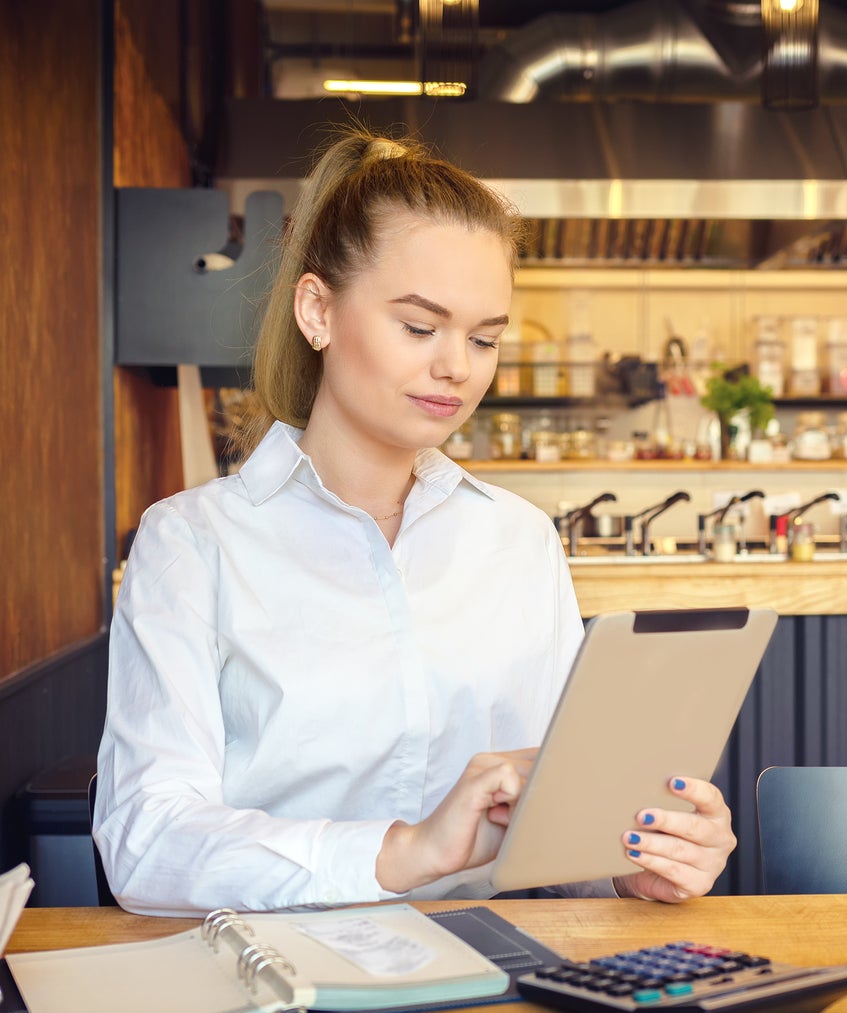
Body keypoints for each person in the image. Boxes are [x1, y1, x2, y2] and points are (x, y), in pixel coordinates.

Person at [93, 127, 736, 916]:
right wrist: (405, 851)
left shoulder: (518, 540)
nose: (457, 367)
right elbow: (147, 842)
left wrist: (629, 858)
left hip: (496, 990)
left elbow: (557, 820)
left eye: (485, 337)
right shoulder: (191, 544)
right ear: (318, 310)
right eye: (420, 327)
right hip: (279, 987)